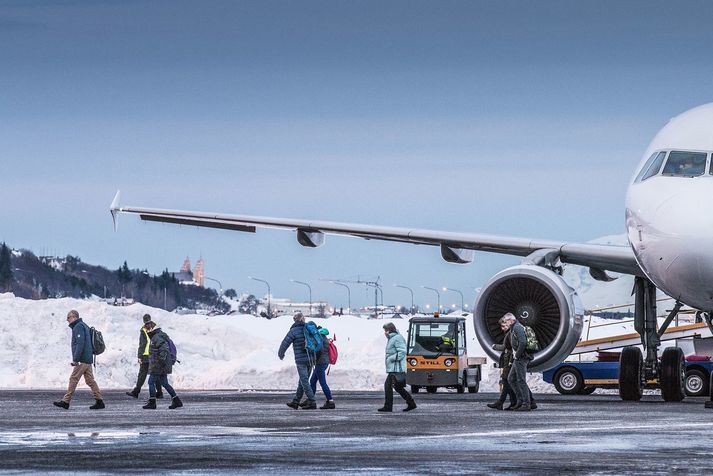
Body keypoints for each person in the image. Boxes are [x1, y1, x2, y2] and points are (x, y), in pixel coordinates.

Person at [53, 310, 105, 410]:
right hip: (88, 358)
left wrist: (76, 359)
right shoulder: (84, 325)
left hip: (82, 359)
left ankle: (65, 401)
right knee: (90, 380)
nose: (67, 320)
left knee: (73, 379)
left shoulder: (78, 327)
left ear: (74, 317)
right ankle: (99, 401)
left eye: (68, 317)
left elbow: (80, 344)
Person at [278, 312, 317, 410]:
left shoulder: (294, 331)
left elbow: (285, 342)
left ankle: (312, 401)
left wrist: (281, 353)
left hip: (301, 360)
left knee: (304, 381)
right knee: (302, 381)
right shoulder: (308, 329)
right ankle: (296, 402)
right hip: (310, 358)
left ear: (295, 320)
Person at [142, 321, 182, 410]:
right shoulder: (158, 336)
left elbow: (163, 349)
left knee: (151, 382)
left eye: (149, 328)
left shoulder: (157, 337)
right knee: (165, 383)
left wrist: (161, 360)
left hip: (158, 365)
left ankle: (152, 402)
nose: (147, 330)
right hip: (161, 365)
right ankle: (176, 400)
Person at [378, 322, 416, 413]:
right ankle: (411, 403)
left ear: (390, 330)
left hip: (396, 368)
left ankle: (388, 406)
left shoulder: (397, 338)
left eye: (385, 330)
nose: (385, 332)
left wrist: (391, 359)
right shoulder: (392, 338)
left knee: (388, 386)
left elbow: (402, 352)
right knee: (398, 387)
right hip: (394, 368)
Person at [126, 314, 163, 399]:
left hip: (153, 355)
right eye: (146, 323)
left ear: (151, 321)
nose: (147, 325)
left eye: (148, 323)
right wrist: (140, 355)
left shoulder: (156, 330)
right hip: (145, 356)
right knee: (143, 374)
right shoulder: (143, 330)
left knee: (153, 374)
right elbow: (142, 344)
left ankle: (158, 392)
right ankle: (137, 391)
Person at [504, 313, 535, 411]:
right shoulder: (514, 328)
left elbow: (523, 342)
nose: (505, 323)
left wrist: (517, 355)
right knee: (511, 378)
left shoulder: (517, 327)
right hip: (518, 358)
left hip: (521, 358)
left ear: (511, 320)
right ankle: (520, 401)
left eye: (506, 321)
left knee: (521, 380)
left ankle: (526, 403)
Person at [487, 317, 517, 410]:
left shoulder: (510, 334)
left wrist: (494, 346)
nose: (502, 328)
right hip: (507, 361)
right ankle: (513, 402)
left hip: (509, 361)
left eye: (503, 326)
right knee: (509, 382)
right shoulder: (509, 333)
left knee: (506, 381)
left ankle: (501, 402)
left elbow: (507, 347)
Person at [309, 326, 335, 409]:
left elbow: (317, 351)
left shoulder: (320, 340)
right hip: (323, 363)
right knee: (312, 381)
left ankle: (330, 401)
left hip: (320, 363)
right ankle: (311, 400)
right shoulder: (325, 339)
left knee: (323, 383)